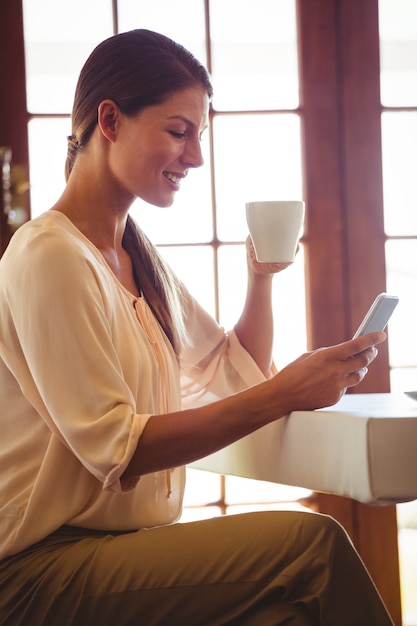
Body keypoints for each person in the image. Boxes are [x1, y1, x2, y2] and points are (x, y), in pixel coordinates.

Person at [0, 29, 393, 626]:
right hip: (39, 568)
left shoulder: (133, 256)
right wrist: (287, 390)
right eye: (179, 132)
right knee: (315, 547)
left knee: (285, 620)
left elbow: (230, 372)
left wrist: (261, 279)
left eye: (199, 137)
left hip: (117, 552)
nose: (196, 158)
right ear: (109, 120)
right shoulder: (50, 255)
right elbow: (118, 451)